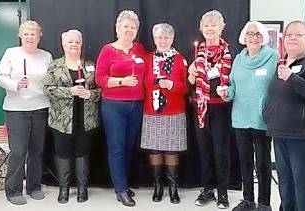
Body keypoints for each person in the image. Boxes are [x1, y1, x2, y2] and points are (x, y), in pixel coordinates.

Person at [263, 20, 305, 211]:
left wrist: (292, 79)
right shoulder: (283, 62)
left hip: (302, 135)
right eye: (289, 34)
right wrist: (268, 114)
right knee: (285, 185)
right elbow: (274, 95)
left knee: (301, 187)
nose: (292, 37)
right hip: (280, 132)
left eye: (298, 34)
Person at [218, 21, 278, 211]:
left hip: (262, 118)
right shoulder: (238, 59)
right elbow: (233, 87)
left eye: (258, 34)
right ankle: (248, 200)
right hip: (240, 118)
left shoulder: (273, 57)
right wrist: (226, 93)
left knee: (262, 163)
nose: (253, 37)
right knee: (244, 161)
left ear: (264, 38)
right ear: (244, 37)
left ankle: (264, 203)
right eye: (250, 34)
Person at [0, 20, 52, 205]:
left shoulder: (46, 56)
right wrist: (15, 85)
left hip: (40, 108)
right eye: (26, 33)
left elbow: (50, 80)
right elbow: (1, 77)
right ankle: (13, 190)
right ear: (21, 35)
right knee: (18, 151)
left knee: (36, 151)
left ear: (39, 37)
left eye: (33, 34)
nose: (29, 37)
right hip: (16, 109)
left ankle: (34, 186)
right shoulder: (11, 53)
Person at [42, 29, 101, 204]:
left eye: (77, 42)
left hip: (86, 118)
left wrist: (90, 94)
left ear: (81, 44)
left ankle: (83, 188)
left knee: (83, 152)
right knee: (63, 153)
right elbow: (47, 89)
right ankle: (64, 188)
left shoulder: (90, 65)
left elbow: (101, 90)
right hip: (61, 120)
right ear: (63, 44)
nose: (73, 45)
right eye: (70, 42)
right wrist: (70, 91)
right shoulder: (55, 65)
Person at [95, 9, 146, 207]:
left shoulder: (140, 49)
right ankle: (120, 189)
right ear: (117, 29)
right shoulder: (108, 50)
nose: (129, 30)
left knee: (128, 146)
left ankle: (123, 182)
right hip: (114, 106)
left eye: (133, 27)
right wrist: (121, 81)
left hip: (137, 104)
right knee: (116, 147)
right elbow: (99, 78)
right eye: (126, 26)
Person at [187, 10, 232, 209]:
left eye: (214, 25)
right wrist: (190, 75)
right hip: (201, 107)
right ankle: (207, 189)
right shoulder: (198, 52)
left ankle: (222, 192)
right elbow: (190, 83)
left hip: (221, 108)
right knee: (204, 151)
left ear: (221, 28)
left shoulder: (231, 52)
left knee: (221, 151)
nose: (210, 29)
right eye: (206, 26)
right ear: (201, 29)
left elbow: (236, 82)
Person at [140, 23, 188, 204]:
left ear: (172, 39)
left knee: (171, 149)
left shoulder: (180, 59)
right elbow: (141, 83)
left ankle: (173, 188)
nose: (163, 41)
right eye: (159, 37)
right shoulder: (147, 58)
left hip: (174, 112)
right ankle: (158, 186)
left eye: (166, 37)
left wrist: (172, 85)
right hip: (152, 111)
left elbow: (186, 88)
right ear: (154, 39)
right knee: (154, 149)